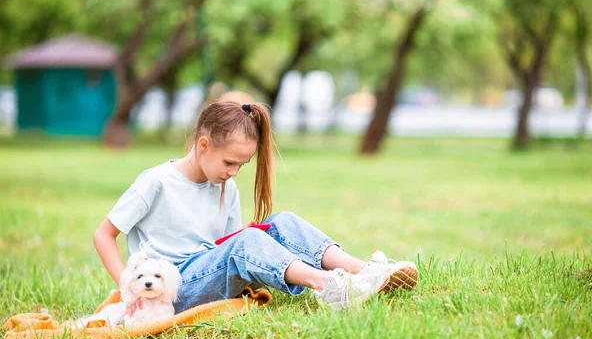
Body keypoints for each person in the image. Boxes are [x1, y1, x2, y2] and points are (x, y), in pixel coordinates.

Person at [93, 101, 418, 312]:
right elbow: (104, 235)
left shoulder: (226, 187)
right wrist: (129, 292)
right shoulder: (157, 181)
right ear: (203, 145)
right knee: (247, 241)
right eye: (229, 162)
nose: (234, 172)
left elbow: (228, 245)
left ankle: (365, 271)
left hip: (210, 271)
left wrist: (265, 239)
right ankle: (327, 286)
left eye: (241, 165)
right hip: (172, 290)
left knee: (282, 222)